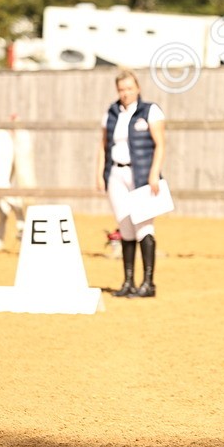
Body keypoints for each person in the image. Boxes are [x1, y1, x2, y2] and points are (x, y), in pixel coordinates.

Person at [96, 70, 166, 297]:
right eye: (121, 89)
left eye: (129, 88)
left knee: (144, 226)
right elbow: (103, 145)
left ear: (137, 88)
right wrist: (100, 174)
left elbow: (160, 144)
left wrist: (154, 173)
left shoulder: (150, 111)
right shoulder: (112, 112)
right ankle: (128, 281)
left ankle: (148, 282)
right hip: (117, 173)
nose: (125, 93)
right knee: (125, 225)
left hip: (142, 174)